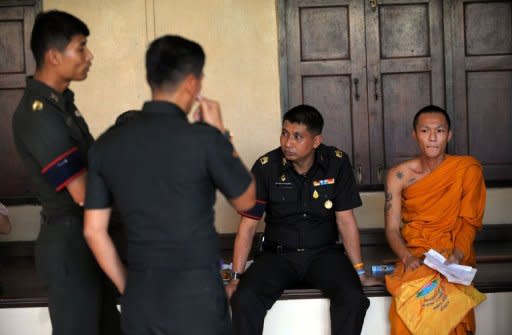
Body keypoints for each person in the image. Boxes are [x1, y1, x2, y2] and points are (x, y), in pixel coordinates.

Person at [83, 35, 256, 335]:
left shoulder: (106, 144)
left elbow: (93, 230)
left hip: (142, 298)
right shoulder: (204, 139)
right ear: (191, 83)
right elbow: (246, 201)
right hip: (197, 299)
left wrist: (129, 285)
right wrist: (221, 133)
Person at [11, 10, 121, 335]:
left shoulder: (62, 104)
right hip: (70, 246)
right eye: (81, 47)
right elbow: (83, 192)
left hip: (90, 238)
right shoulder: (38, 115)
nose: (89, 56)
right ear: (54, 56)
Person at [227, 104, 380, 335]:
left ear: (316, 141)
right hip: (278, 256)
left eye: (297, 137)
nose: (288, 143)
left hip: (324, 254)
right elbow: (248, 226)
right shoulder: (266, 167)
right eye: (285, 133)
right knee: (244, 299)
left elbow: (346, 221)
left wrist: (360, 273)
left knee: (353, 298)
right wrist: (236, 277)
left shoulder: (336, 163)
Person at [384, 105, 486, 334]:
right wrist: (407, 257)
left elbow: (469, 222)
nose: (432, 138)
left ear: (449, 135)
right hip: (417, 256)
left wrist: (457, 255)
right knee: (409, 309)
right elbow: (391, 229)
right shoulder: (399, 175)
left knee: (452, 308)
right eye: (425, 131)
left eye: (439, 131)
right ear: (415, 134)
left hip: (453, 256)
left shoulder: (467, 169)